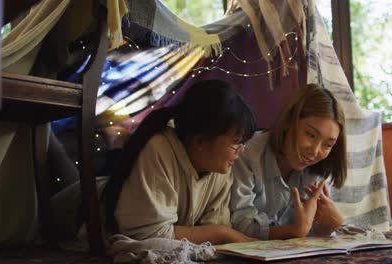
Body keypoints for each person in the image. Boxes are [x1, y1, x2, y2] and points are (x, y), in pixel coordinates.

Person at [100, 79, 257, 245]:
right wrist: (221, 233)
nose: (241, 150)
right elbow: (148, 235)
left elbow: (212, 226)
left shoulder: (220, 166)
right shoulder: (159, 149)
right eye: (236, 142)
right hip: (77, 214)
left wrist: (219, 232)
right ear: (200, 142)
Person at [230, 83, 347, 240]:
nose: (314, 151)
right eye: (311, 135)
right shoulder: (247, 153)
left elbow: (310, 231)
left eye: (328, 145)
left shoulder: (317, 168)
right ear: (288, 121)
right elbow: (240, 224)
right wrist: (294, 231)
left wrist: (332, 224)